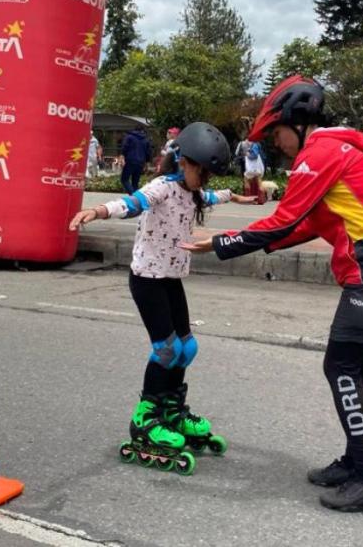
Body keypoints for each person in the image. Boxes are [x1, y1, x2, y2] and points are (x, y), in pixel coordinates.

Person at [180, 76, 363, 512]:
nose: (276, 144)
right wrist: (247, 243)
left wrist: (225, 242)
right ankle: (358, 462)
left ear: (298, 124)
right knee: (355, 367)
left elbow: (281, 221)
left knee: (340, 365)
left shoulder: (319, 153)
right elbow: (307, 224)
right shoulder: (337, 152)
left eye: (277, 133)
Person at [69, 122, 256, 476]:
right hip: (147, 280)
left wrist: (238, 196)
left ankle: (172, 410)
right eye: (204, 172)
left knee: (187, 348)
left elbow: (216, 196)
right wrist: (97, 211)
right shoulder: (163, 187)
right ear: (185, 161)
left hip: (171, 279)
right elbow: (134, 203)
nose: (206, 180)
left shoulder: (194, 192)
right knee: (166, 350)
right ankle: (146, 418)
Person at [119, 126, 152, 194]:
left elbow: (125, 147)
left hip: (130, 161)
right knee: (135, 183)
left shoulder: (129, 137)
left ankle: (135, 197)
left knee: (124, 179)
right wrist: (147, 163)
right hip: (141, 162)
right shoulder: (146, 139)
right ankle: (137, 200)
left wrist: (122, 156)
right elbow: (148, 152)